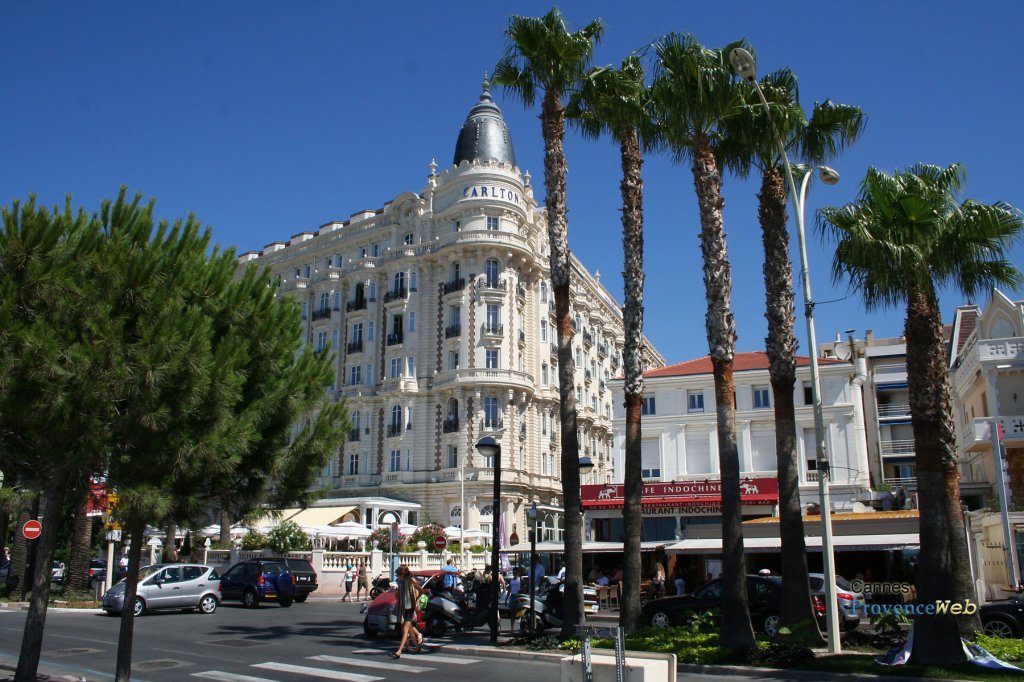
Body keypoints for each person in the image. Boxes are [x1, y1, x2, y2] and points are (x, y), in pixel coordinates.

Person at [393, 564, 424, 658]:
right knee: (407, 628)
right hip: (403, 607)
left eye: (399, 575)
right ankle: (417, 645)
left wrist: (415, 600)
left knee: (405, 629)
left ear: (403, 574)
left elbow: (421, 591)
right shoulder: (400, 582)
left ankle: (399, 650)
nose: (398, 577)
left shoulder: (411, 581)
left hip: (410, 607)